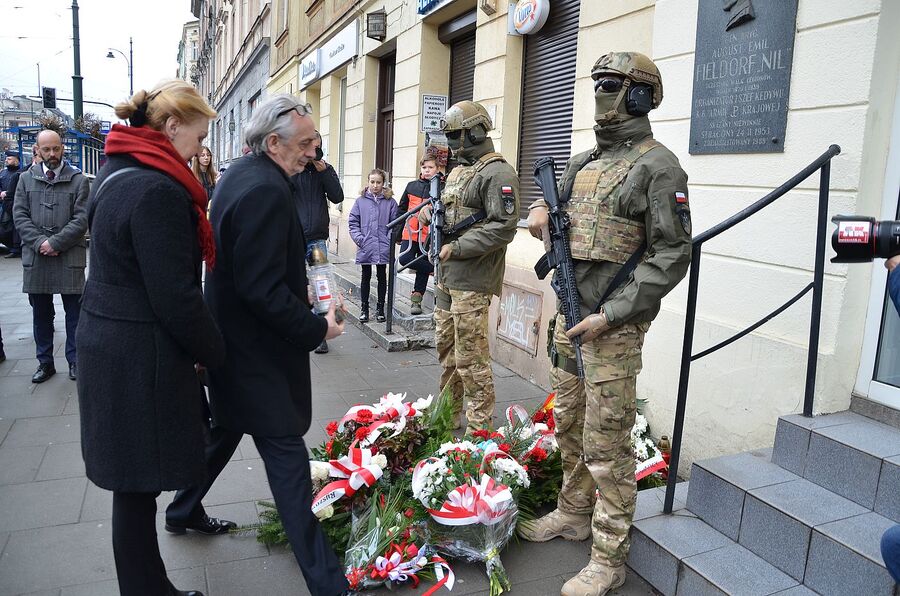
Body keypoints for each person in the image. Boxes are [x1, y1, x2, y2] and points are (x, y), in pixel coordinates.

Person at [518, 52, 692, 596]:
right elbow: (557, 222)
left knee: (607, 442)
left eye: (612, 84)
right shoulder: (583, 161)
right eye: (597, 82)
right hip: (571, 319)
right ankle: (571, 510)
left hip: (613, 327)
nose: (600, 92)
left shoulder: (658, 167)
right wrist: (539, 218)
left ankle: (609, 557)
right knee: (567, 420)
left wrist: (610, 315)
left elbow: (672, 254)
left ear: (640, 96)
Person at [196, 94, 349, 596]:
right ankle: (329, 583)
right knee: (286, 460)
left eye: (315, 143)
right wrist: (314, 328)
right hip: (254, 354)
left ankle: (180, 508)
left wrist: (295, 285)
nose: (312, 152)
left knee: (227, 428)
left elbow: (251, 267)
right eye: (306, 143)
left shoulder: (246, 173)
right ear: (274, 141)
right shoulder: (264, 188)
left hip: (234, 346)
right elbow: (258, 289)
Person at [76, 80, 224, 596]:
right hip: (139, 355)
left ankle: (150, 587)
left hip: (111, 342)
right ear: (171, 127)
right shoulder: (158, 189)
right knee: (136, 488)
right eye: (198, 137)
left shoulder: (120, 169)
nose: (200, 149)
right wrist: (215, 354)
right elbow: (176, 298)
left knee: (132, 488)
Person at [418, 101, 519, 433]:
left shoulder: (498, 172)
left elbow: (503, 226)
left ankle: (479, 432)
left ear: (476, 131)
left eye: (457, 135)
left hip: (473, 280)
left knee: (471, 359)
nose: (451, 143)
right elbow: (449, 213)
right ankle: (448, 416)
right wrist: (428, 215)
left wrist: (456, 247)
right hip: (447, 277)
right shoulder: (460, 171)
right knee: (447, 352)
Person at [13, 130, 90, 383]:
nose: (52, 154)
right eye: (46, 149)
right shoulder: (25, 179)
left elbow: (82, 219)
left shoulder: (78, 180)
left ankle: (76, 360)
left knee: (75, 315)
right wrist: (40, 243)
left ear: (62, 148)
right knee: (41, 315)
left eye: (56, 148)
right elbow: (20, 216)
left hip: (69, 257)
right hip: (38, 258)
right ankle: (45, 363)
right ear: (37, 150)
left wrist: (56, 242)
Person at [292, 130, 344, 353]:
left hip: (316, 239)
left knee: (321, 285)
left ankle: (321, 332)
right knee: (296, 284)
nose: (313, 151)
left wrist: (325, 173)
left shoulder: (324, 169)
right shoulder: (292, 168)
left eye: (317, 146)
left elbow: (338, 197)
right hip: (293, 238)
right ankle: (298, 328)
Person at [349, 168, 397, 323]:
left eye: (378, 182)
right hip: (366, 245)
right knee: (366, 276)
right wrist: (360, 239)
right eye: (372, 182)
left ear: (383, 183)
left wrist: (389, 239)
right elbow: (353, 222)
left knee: (382, 276)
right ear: (368, 182)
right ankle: (364, 309)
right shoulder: (360, 201)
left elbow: (395, 223)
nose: (375, 185)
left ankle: (380, 309)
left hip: (383, 245)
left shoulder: (390, 202)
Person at [395, 155, 439, 315]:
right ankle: (434, 268)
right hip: (410, 231)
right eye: (424, 168)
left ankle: (416, 301)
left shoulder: (440, 187)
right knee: (404, 259)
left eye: (431, 167)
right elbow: (401, 209)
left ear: (437, 169)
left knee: (421, 264)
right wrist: (397, 233)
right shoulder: (411, 185)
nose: (427, 170)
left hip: (428, 234)